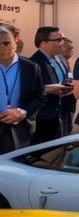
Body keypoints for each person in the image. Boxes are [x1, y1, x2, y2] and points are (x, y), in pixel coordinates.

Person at [0, 24, 45, 152]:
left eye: (6, 43)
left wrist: (22, 112)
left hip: (20, 134)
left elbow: (39, 96)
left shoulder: (31, 68)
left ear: (16, 39)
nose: (1, 49)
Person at [30, 26, 71, 144]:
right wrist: (48, 89)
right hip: (43, 119)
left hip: (62, 115)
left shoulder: (61, 59)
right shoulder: (33, 63)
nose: (62, 42)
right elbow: (27, 89)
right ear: (43, 43)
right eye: (58, 40)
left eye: (63, 39)